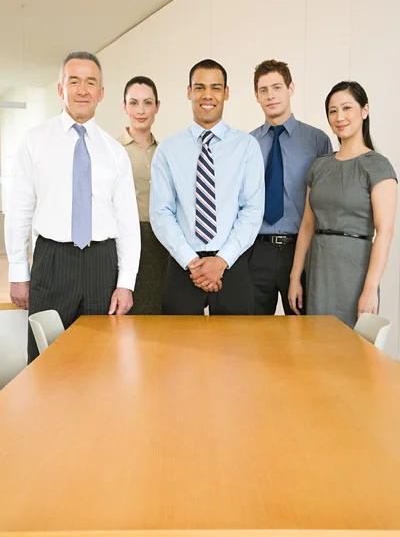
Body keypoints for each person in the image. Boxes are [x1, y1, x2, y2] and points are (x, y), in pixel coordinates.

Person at [5, 51, 140, 362]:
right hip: (52, 262)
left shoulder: (115, 152)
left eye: (90, 82)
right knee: (45, 360)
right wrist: (17, 272)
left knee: (102, 362)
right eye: (74, 81)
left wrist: (126, 283)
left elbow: (128, 223)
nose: (82, 90)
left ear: (101, 92)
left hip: (101, 264)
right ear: (60, 88)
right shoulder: (34, 141)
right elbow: (20, 210)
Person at [150, 59, 264, 314]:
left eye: (215, 87)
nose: (207, 95)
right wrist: (193, 262)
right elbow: (161, 213)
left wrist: (221, 260)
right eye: (199, 87)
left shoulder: (246, 146)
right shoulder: (168, 149)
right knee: (178, 349)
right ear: (189, 92)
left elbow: (252, 210)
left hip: (232, 264)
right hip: (183, 265)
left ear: (226, 93)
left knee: (236, 349)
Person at [288, 81, 397, 327]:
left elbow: (385, 232)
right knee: (316, 346)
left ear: (364, 111)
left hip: (354, 269)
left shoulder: (378, 165)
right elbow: (307, 225)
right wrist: (296, 276)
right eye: (333, 111)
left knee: (351, 350)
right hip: (318, 269)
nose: (340, 117)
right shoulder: (320, 165)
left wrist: (370, 288)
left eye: (347, 108)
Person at [249, 59, 333, 315]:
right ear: (256, 96)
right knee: (251, 335)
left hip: (301, 250)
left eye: (277, 87)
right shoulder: (247, 143)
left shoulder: (317, 141)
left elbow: (324, 202)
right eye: (263, 90)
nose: (270, 96)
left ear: (291, 88)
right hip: (256, 251)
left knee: (303, 335)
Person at [117, 76, 168, 314]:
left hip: (161, 241)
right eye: (134, 103)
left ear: (157, 106)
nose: (141, 110)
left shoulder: (166, 151)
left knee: (158, 312)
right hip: (125, 239)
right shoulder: (112, 150)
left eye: (147, 103)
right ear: (124, 106)